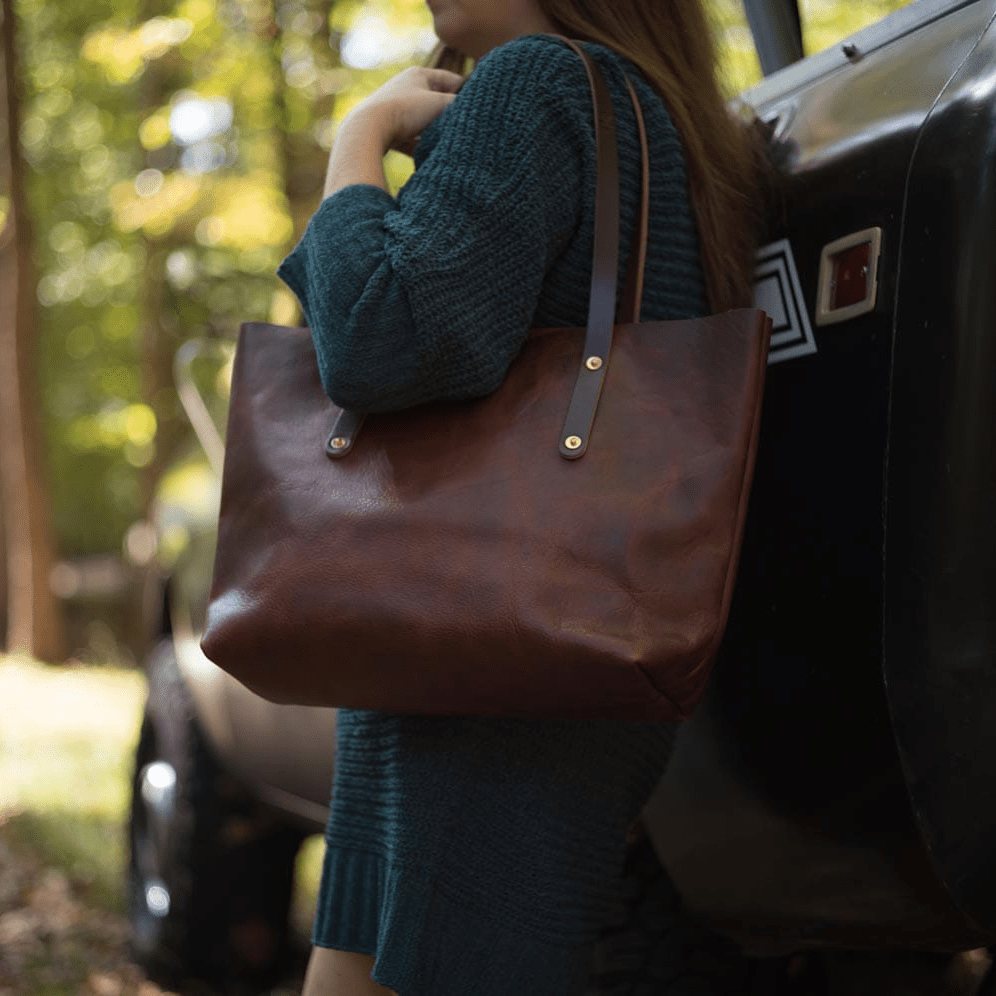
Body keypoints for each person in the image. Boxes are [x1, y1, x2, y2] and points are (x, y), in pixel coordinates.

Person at [276, 1, 761, 993]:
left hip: (482, 673)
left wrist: (358, 139)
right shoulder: (652, 112)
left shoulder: (535, 82)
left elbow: (377, 336)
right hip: (527, 645)